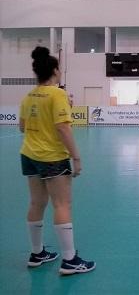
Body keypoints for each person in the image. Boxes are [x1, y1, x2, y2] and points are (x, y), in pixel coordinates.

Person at [19, 46, 95, 275]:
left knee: (36, 203)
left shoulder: (29, 95)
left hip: (29, 155)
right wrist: (77, 157)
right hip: (52, 157)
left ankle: (37, 253)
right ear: (54, 70)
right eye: (59, 68)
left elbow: (23, 127)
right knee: (62, 205)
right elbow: (63, 128)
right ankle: (70, 260)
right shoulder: (57, 94)